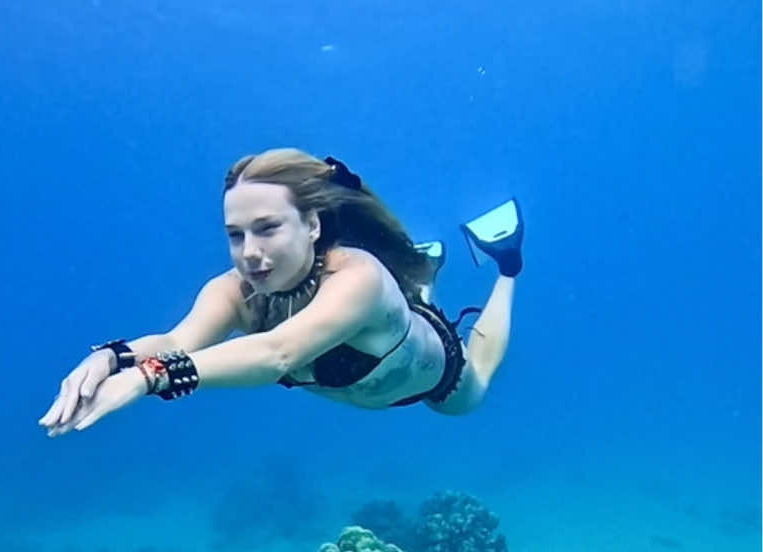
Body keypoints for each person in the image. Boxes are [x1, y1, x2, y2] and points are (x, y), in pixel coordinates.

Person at [39, 148, 523, 436]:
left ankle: (507, 260)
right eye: (235, 234)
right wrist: (108, 358)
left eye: (267, 228)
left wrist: (150, 378)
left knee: (472, 390)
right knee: (410, 290)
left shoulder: (359, 277)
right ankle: (421, 267)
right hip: (384, 331)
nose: (249, 252)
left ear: (313, 225)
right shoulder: (236, 292)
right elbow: (175, 340)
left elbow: (278, 352)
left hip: (437, 378)